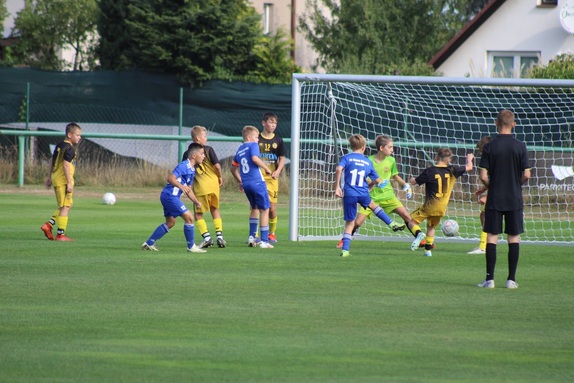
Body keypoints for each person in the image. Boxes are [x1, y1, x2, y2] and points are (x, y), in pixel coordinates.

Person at [337, 134, 428, 248]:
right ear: (381, 148)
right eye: (389, 147)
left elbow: (395, 175)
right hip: (372, 196)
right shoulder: (368, 160)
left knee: (406, 216)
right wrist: (373, 183)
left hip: (388, 195)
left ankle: (420, 238)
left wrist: (405, 185)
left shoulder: (391, 160)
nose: (392, 150)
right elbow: (365, 179)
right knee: (358, 222)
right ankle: (344, 240)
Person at [476, 110, 531, 289]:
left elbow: (483, 176)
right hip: (514, 197)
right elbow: (527, 174)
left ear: (495, 123)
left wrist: (492, 186)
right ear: (513, 124)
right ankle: (511, 280)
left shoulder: (490, 146)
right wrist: (516, 184)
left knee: (492, 236)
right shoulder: (520, 145)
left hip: (495, 197)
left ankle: (489, 279)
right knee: (513, 237)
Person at [408, 148, 474, 257]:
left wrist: (411, 180)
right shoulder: (452, 170)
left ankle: (419, 235)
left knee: (411, 222)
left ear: (436, 157)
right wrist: (469, 159)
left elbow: (415, 182)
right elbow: (469, 167)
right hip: (442, 208)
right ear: (449, 160)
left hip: (429, 206)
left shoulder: (429, 171)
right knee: (431, 227)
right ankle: (427, 251)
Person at [142, 143, 206, 253]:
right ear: (194, 156)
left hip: (169, 196)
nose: (204, 156)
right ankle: (191, 247)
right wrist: (181, 186)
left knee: (170, 222)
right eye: (202, 153)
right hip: (170, 196)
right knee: (189, 218)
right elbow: (170, 178)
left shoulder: (192, 170)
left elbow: (188, 189)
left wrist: (196, 201)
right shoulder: (183, 166)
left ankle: (149, 243)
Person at [182, 126, 226, 248]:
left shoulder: (188, 154)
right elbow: (217, 166)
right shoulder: (208, 149)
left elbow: (185, 170)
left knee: (198, 214)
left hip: (200, 187)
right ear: (198, 138)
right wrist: (220, 177)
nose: (206, 138)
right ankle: (220, 237)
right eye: (204, 136)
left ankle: (207, 238)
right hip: (213, 186)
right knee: (215, 210)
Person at [231, 125, 274, 249]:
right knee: (265, 210)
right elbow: (255, 158)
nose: (258, 140)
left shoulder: (239, 149)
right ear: (249, 137)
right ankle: (265, 241)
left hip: (246, 184)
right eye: (256, 137)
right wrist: (266, 168)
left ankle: (252, 236)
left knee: (254, 208)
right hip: (257, 182)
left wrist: (240, 181)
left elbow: (233, 168)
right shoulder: (253, 145)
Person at [41, 123, 83, 242]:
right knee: (65, 206)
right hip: (63, 181)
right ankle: (61, 235)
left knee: (66, 206)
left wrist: (49, 177)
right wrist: (69, 182)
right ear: (70, 135)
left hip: (57, 178)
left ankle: (49, 225)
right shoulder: (69, 149)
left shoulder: (59, 146)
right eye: (78, 135)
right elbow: (66, 165)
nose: (80, 137)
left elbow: (51, 161)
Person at [258, 112, 286, 243]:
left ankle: (272, 233)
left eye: (275, 123)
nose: (273, 125)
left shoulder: (278, 140)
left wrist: (278, 171)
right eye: (271, 122)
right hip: (258, 178)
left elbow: (282, 158)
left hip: (272, 179)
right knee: (257, 207)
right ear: (264, 123)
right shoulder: (256, 138)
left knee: (272, 208)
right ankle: (255, 235)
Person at [467, 136, 492, 255]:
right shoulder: (491, 159)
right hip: (499, 191)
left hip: (502, 192)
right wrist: (482, 190)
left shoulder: (494, 160)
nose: (481, 153)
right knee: (483, 215)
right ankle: (486, 244)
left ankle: (483, 247)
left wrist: (487, 197)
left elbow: (500, 180)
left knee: (487, 216)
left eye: (482, 150)